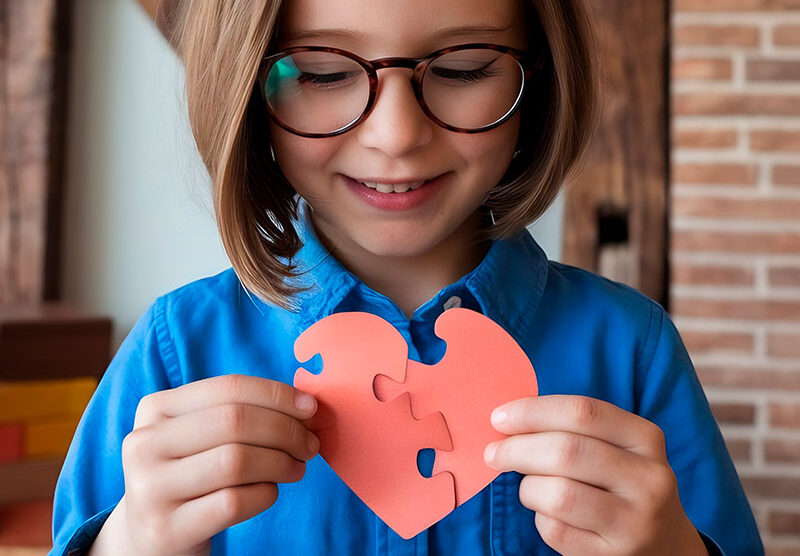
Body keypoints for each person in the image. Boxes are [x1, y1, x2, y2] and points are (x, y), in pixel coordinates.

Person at [49, 0, 763, 554]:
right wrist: (130, 541)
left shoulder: (631, 348)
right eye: (323, 72)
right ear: (247, 82)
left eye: (462, 68)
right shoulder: (176, 352)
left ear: (537, 77)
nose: (395, 136)